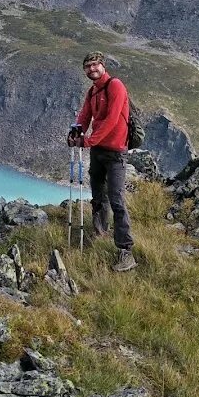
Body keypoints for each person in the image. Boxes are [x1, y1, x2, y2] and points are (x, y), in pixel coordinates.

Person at [67, 51, 136, 272]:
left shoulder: (115, 86)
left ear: (103, 66)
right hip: (98, 152)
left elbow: (112, 119)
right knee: (98, 195)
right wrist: (75, 132)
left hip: (115, 152)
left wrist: (88, 141)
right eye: (87, 67)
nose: (91, 70)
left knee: (116, 199)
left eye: (94, 65)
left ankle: (126, 251)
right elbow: (85, 116)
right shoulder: (92, 92)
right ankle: (99, 233)